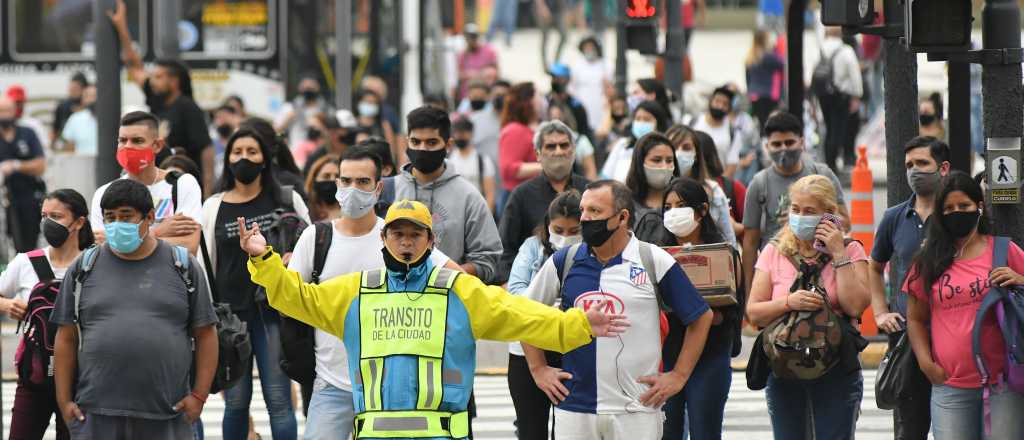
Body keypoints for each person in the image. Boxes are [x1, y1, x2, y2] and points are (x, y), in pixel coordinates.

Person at [241, 197, 629, 439]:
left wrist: (576, 325)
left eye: (415, 234)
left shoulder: (456, 290)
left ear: (431, 241)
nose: (406, 241)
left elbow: (517, 312)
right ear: (384, 238)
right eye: (397, 234)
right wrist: (263, 259)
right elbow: (297, 299)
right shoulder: (357, 291)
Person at [288, 148, 460, 439]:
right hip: (333, 384)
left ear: (379, 187)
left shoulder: (395, 236)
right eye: (345, 181)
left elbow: (457, 280)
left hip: (390, 391)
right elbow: (289, 298)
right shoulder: (315, 238)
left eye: (363, 182)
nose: (353, 189)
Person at [523, 179, 713, 439]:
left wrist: (678, 375)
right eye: (583, 210)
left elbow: (701, 317)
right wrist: (538, 369)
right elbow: (525, 314)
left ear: (622, 217)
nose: (585, 219)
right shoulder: (564, 261)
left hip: (638, 409)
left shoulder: (653, 259)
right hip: (574, 408)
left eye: (595, 212)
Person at [53, 179, 218, 439]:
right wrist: (64, 402)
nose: (117, 224)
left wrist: (198, 396)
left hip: (168, 414)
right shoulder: (84, 267)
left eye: (126, 216)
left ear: (149, 217)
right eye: (110, 217)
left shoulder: (183, 266)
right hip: (96, 415)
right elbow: (65, 337)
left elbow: (206, 334)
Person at [201, 128, 310, 440]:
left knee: (278, 399)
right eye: (237, 152)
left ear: (265, 159)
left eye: (252, 151)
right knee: (235, 402)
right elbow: (205, 261)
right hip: (229, 316)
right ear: (228, 158)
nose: (244, 158)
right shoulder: (214, 206)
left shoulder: (288, 199)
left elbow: (310, 244)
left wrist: (293, 259)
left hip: (273, 312)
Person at [746, 174, 870, 440]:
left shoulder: (850, 250)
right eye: (795, 209)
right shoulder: (775, 250)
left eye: (810, 211)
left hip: (836, 366)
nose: (800, 216)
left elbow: (856, 306)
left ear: (828, 214)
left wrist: (838, 254)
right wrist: (788, 302)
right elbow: (754, 312)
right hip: (784, 366)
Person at [904, 171, 1024, 440]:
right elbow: (915, 318)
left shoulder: (1003, 250)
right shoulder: (927, 260)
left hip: (1004, 383)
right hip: (950, 385)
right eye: (948, 208)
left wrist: (1019, 279)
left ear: (979, 207)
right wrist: (926, 363)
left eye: (964, 206)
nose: (956, 212)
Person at [869, 136, 950, 440]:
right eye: (909, 165)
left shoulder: (956, 215)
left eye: (922, 164)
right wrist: (880, 312)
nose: (914, 171)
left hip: (952, 337)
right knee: (910, 429)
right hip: (907, 340)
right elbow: (875, 266)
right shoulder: (894, 217)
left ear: (942, 168)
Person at [654, 177, 743, 440]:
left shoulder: (724, 253)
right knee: (667, 431)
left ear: (702, 210)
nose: (673, 213)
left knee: (705, 429)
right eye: (667, 207)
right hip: (668, 353)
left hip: (711, 354)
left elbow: (730, 308)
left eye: (680, 205)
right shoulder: (657, 255)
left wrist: (709, 314)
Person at [1, 189, 93, 440]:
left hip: (81, 381)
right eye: (44, 216)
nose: (47, 223)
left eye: (56, 216)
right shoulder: (26, 262)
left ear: (79, 222)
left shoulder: (94, 264)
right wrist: (8, 304)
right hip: (34, 377)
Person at [388, 106, 503, 284]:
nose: (422, 149)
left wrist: (443, 277)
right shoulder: (389, 190)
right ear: (407, 142)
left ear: (448, 145)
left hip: (448, 303)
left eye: (432, 142)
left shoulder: (469, 197)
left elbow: (487, 260)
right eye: (416, 142)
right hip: (392, 303)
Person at [109, 1, 216, 192]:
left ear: (174, 81)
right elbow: (134, 66)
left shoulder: (188, 107)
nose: (153, 80)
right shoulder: (157, 99)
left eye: (159, 77)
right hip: (160, 183)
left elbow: (206, 149)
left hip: (185, 185)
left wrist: (207, 190)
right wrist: (121, 26)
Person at [506, 191, 582, 440]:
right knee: (531, 430)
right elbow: (518, 296)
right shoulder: (532, 248)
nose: (565, 238)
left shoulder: (591, 253)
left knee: (570, 430)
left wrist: (547, 306)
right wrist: (556, 308)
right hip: (527, 351)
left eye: (574, 231)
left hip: (572, 350)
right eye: (558, 230)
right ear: (547, 225)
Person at [742, 112, 846, 291]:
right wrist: (748, 291)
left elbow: (845, 220)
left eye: (789, 142)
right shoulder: (759, 184)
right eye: (776, 144)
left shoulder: (822, 175)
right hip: (777, 271)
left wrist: (816, 220)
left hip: (822, 267)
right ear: (767, 146)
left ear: (802, 142)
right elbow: (750, 243)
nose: (783, 149)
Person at [90, 111, 202, 255]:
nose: (127, 147)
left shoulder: (182, 184)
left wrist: (122, 241)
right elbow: (102, 250)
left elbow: (189, 247)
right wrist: (158, 232)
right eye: (122, 140)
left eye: (137, 141)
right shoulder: (104, 193)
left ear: (157, 145)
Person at [498, 120, 590, 283]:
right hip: (533, 287)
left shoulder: (590, 192)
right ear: (538, 154)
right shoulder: (521, 196)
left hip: (586, 281)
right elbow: (506, 249)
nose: (558, 151)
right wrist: (510, 287)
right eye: (550, 146)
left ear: (574, 151)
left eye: (564, 145)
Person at [0, 96, 46, 253]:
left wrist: (17, 165)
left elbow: (40, 165)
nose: (5, 115)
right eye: (1, 111)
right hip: (3, 198)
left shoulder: (27, 133)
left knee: (28, 244)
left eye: (8, 111)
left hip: (28, 197)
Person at [817, 26, 863, 173]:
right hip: (840, 95)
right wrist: (857, 95)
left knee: (829, 128)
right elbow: (854, 74)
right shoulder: (846, 50)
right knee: (838, 129)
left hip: (823, 94)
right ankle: (833, 165)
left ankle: (828, 162)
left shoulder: (820, 49)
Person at [624, 132, 682, 241]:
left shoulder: (684, 200)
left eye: (669, 160)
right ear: (640, 163)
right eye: (657, 160)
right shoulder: (625, 203)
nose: (664, 166)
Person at [601, 100, 671, 183]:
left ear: (658, 123)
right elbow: (606, 178)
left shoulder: (665, 149)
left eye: (647, 119)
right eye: (638, 119)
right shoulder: (623, 144)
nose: (641, 123)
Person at [241, 117, 309, 202]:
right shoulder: (229, 183)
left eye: (251, 151)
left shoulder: (288, 184)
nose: (242, 156)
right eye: (237, 151)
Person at [694, 131, 746, 238]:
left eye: (687, 149)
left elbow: (751, 230)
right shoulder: (674, 189)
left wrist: (735, 227)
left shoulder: (732, 188)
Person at [498, 83, 542, 198]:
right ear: (528, 101)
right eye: (538, 96)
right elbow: (508, 169)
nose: (542, 101)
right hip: (517, 197)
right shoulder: (514, 131)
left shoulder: (527, 129)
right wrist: (547, 166)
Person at [689, 86, 743, 177]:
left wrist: (718, 186)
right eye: (717, 101)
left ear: (729, 108)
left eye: (725, 104)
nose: (720, 106)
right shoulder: (693, 122)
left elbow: (732, 165)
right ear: (711, 101)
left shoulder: (733, 132)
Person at [273, 74, 334, 150]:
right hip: (295, 152)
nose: (308, 90)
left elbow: (335, 135)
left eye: (311, 87)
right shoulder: (289, 107)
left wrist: (320, 126)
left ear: (318, 87)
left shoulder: (326, 109)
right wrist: (288, 119)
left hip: (319, 153)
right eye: (305, 87)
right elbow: (275, 131)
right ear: (300, 88)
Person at [449, 117, 497, 212]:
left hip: (477, 210)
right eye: (457, 133)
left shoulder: (483, 161)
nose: (459, 137)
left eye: (462, 133)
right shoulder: (448, 160)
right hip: (453, 211)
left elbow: (490, 195)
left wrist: (486, 218)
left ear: (471, 134)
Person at [545, 101, 598, 180]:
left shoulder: (581, 142)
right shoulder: (544, 143)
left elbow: (591, 173)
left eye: (559, 118)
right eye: (553, 119)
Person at [745, 30, 786, 132]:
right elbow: (783, 64)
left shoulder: (750, 56)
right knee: (769, 123)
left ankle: (762, 142)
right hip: (768, 94)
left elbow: (747, 78)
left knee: (761, 122)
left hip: (754, 94)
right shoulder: (768, 56)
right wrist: (777, 48)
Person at [571, 35, 612, 133]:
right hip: (583, 105)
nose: (589, 50)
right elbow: (572, 87)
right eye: (586, 48)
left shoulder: (606, 65)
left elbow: (610, 87)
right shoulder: (577, 66)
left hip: (600, 105)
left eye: (591, 47)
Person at [302, 110, 360, 177]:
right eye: (345, 130)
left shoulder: (357, 155)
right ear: (331, 133)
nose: (351, 136)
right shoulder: (317, 157)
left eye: (352, 132)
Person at [457, 80, 502, 166]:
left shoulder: (494, 116)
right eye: (474, 96)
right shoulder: (462, 117)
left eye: (481, 96)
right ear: (468, 96)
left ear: (488, 97)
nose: (477, 99)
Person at [547, 63, 592, 142]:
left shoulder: (576, 105)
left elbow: (584, 132)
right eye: (553, 77)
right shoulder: (546, 101)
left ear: (567, 79)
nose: (555, 80)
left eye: (559, 78)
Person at [457, 24, 500, 101]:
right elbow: (459, 75)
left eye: (473, 37)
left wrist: (476, 74)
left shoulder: (489, 51)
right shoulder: (462, 55)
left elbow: (495, 72)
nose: (471, 40)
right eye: (468, 37)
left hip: (486, 95)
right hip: (467, 96)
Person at [59, 84, 97, 155]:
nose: (92, 100)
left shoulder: (114, 118)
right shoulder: (74, 119)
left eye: (94, 96)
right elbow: (69, 146)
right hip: (81, 163)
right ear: (83, 100)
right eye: (87, 96)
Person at [304, 154, 340, 223]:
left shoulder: (352, 212)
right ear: (314, 180)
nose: (332, 180)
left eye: (337, 176)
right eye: (326, 176)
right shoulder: (306, 210)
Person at [210, 104, 242, 181]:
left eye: (225, 117)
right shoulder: (210, 145)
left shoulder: (241, 143)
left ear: (235, 118)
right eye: (218, 118)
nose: (221, 121)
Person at [52, 72, 88, 140]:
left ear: (84, 89)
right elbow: (55, 129)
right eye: (71, 87)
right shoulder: (62, 106)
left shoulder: (90, 107)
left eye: (76, 88)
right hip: (66, 141)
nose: (73, 90)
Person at [536, 0, 568, 72]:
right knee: (545, 38)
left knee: (564, 36)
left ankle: (556, 61)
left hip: (557, 9)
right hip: (544, 8)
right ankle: (545, 65)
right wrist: (543, 8)